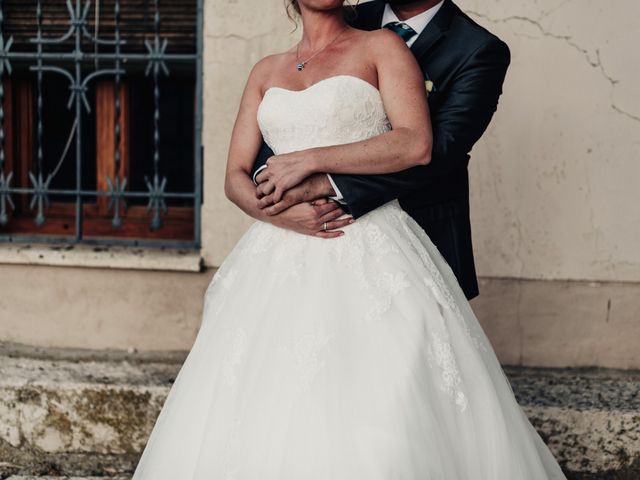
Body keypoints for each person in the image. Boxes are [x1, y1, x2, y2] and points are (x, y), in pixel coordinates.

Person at [132, 1, 568, 478]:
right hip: (279, 252)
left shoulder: (396, 45)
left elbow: (422, 146)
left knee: (386, 392)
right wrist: (283, 216)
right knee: (262, 390)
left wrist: (313, 165)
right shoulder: (270, 67)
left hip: (375, 240)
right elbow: (235, 174)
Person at [252, 0, 512, 300]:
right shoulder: (344, 14)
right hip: (302, 227)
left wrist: (322, 184)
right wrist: (276, 188)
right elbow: (292, 110)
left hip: (415, 228)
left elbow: (439, 153)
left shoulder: (477, 49)